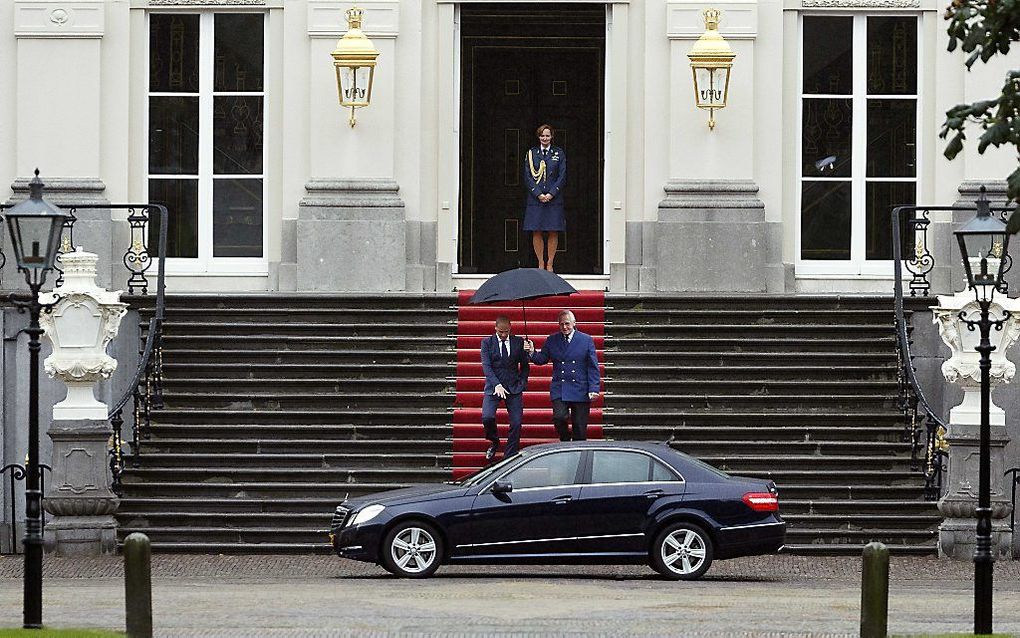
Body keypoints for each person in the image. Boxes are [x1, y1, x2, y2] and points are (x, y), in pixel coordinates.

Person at [523, 309, 600, 441]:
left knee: (580, 428)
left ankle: (577, 453)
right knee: (559, 417)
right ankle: (565, 439)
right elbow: (542, 359)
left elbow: (592, 366)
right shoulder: (552, 340)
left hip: (580, 388)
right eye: (561, 324)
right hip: (561, 387)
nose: (564, 327)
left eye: (567, 324)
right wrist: (531, 351)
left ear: (574, 323)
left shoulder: (586, 340)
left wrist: (594, 388)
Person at [480, 316, 530, 461]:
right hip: (494, 387)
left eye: (506, 332)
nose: (503, 335)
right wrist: (497, 385)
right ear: (495, 328)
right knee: (487, 417)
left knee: (516, 422)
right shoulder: (487, 343)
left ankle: (510, 454)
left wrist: (522, 383)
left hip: (514, 387)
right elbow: (487, 367)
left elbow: (525, 366)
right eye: (501, 332)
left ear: (510, 329)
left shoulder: (519, 342)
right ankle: (494, 441)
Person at [522, 123, 566, 272]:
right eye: (542, 135)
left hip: (554, 198)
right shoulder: (531, 153)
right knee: (537, 230)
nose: (545, 138)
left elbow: (562, 176)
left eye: (547, 135)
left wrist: (552, 193)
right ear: (538, 137)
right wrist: (538, 194)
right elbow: (528, 176)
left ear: (551, 136)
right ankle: (540, 262)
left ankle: (550, 264)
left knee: (553, 230)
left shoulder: (558, 153)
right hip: (536, 199)